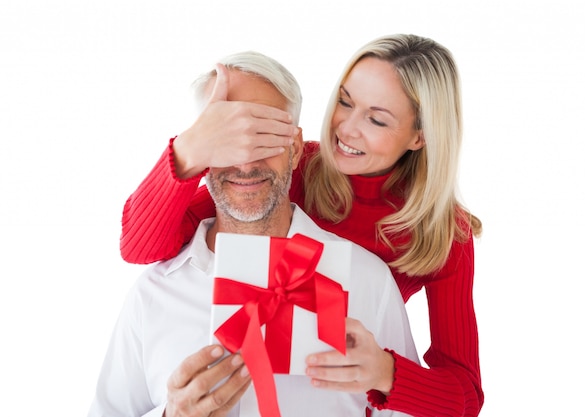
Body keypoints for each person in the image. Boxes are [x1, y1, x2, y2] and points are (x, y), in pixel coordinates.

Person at [119, 34, 484, 416]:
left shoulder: (444, 233)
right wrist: (190, 149)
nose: (346, 129)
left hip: (336, 373)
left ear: (420, 136)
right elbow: (143, 246)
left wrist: (387, 373)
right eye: (344, 101)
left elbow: (466, 394)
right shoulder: (293, 167)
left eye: (376, 118)